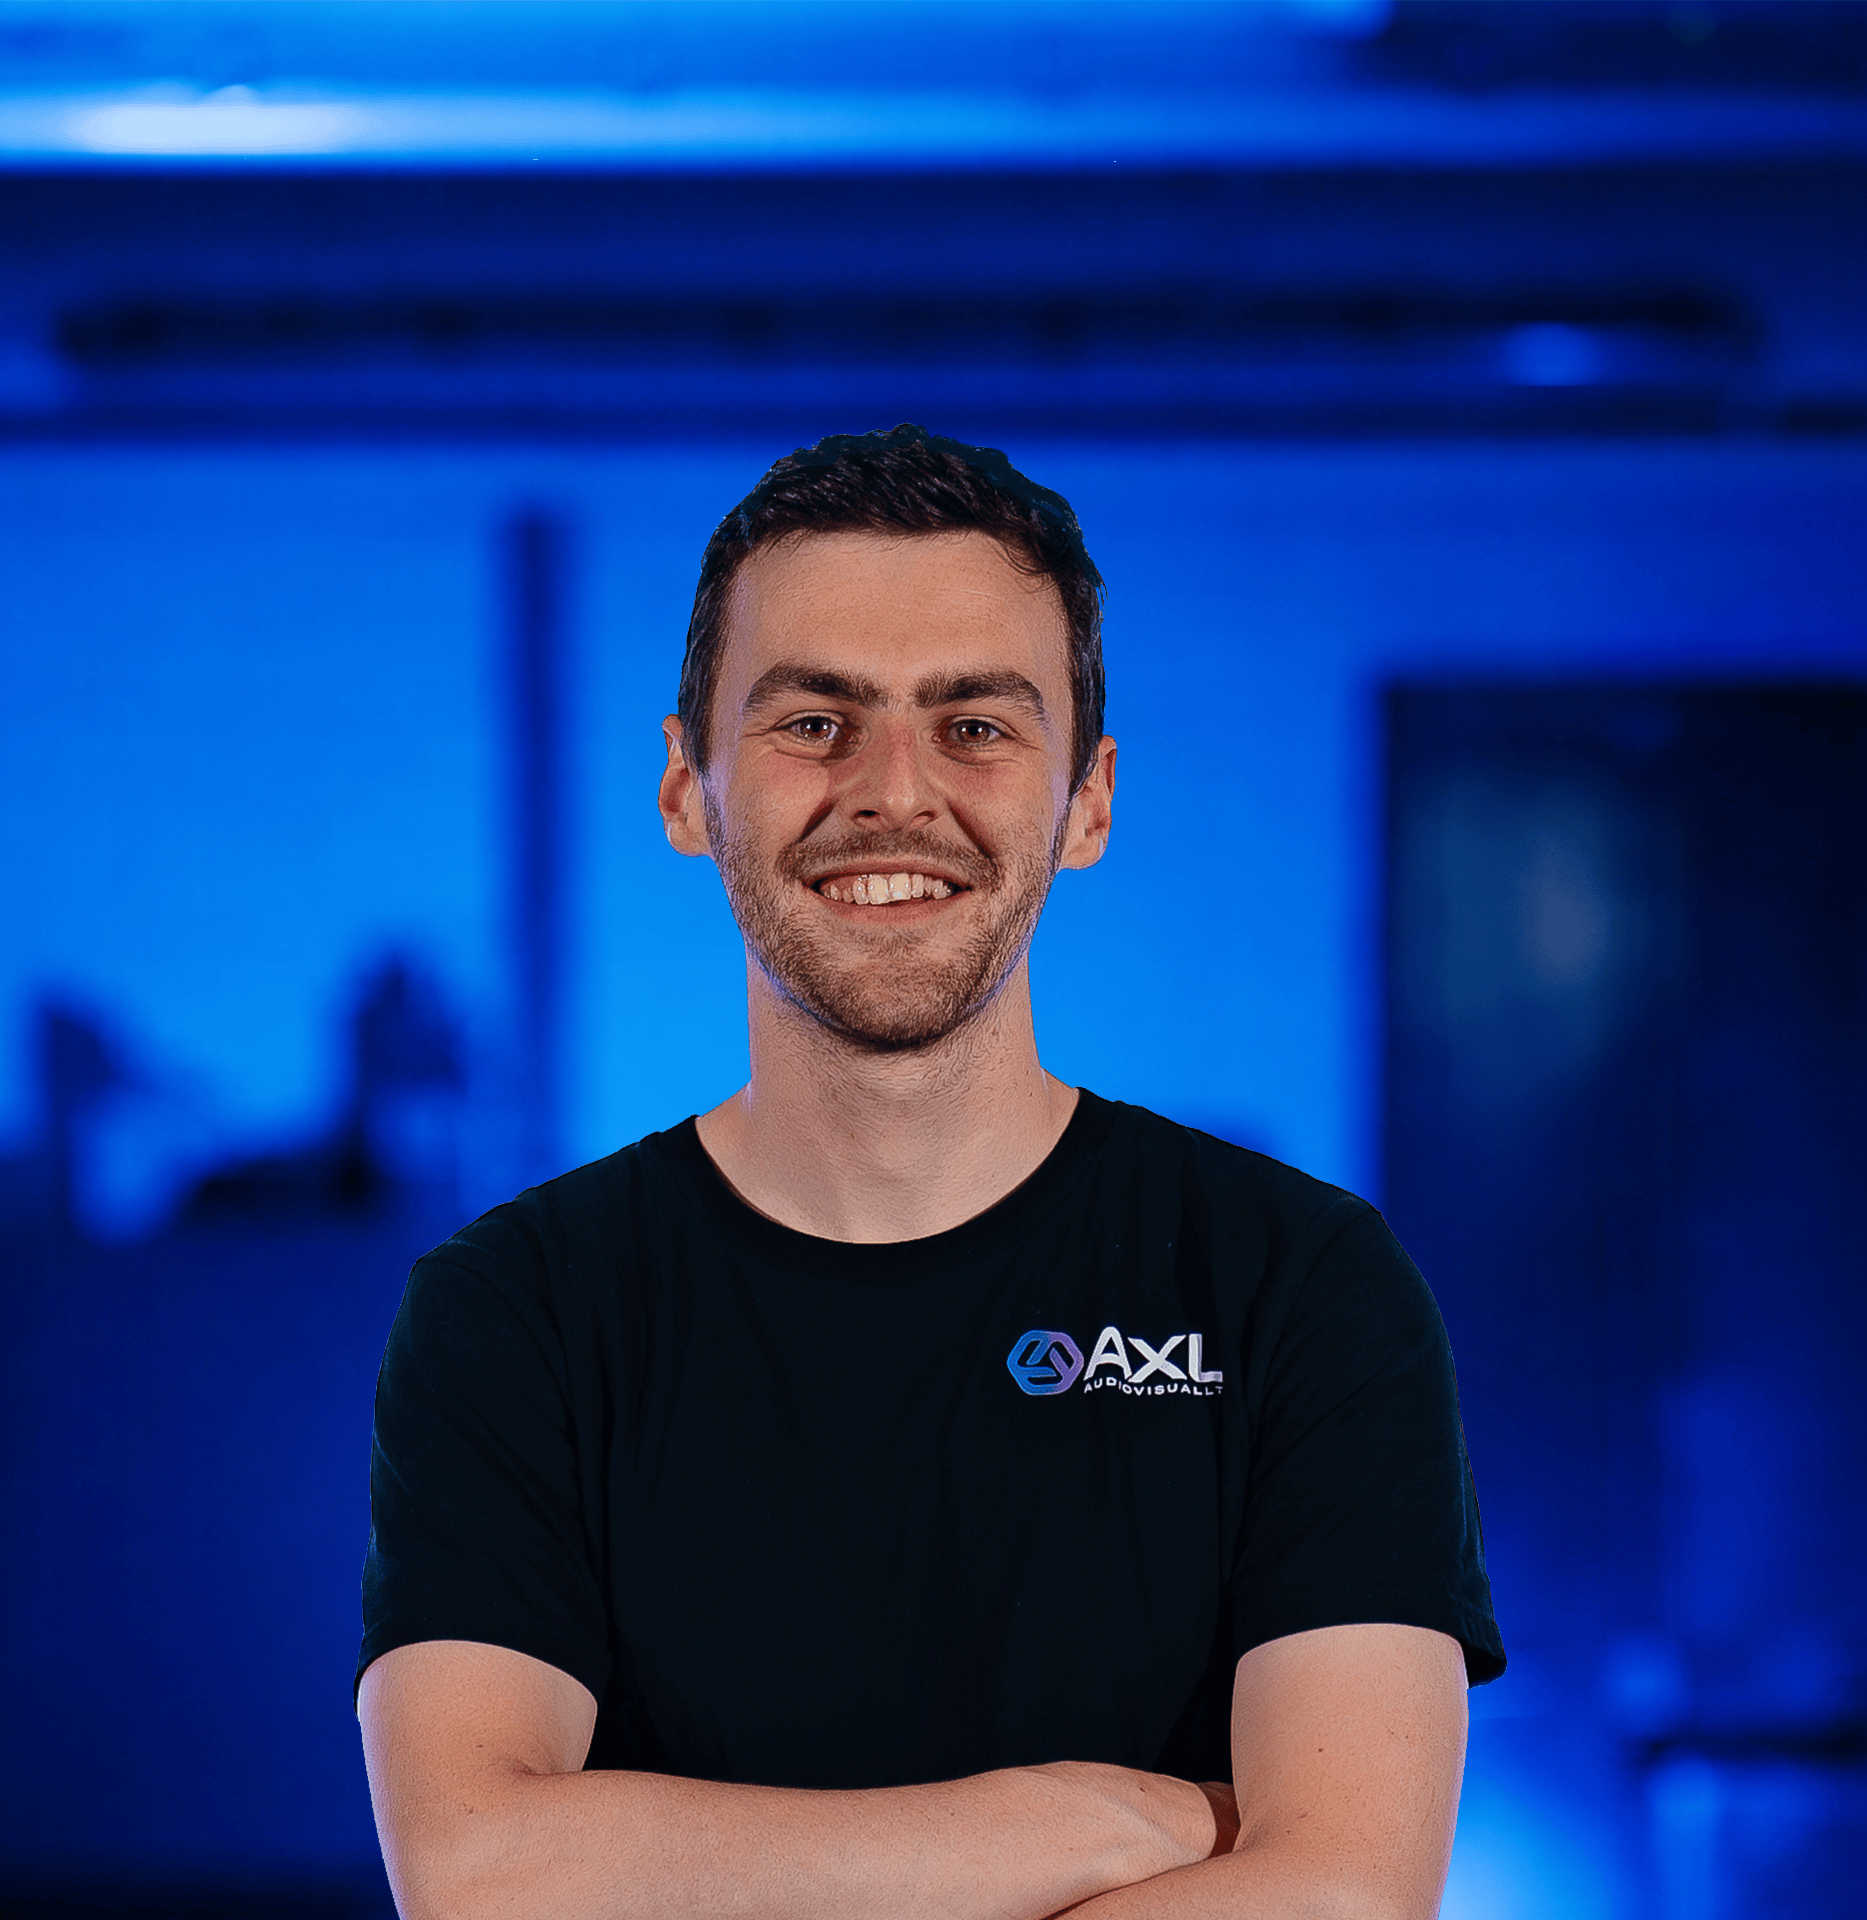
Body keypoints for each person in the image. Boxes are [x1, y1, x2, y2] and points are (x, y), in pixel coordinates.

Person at [356, 424, 1504, 1920]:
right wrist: (1077, 1824)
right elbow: (478, 1874)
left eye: (975, 725)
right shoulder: (518, 1314)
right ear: (688, 790)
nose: (894, 793)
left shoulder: (1297, 1289)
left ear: (1086, 800)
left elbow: (1345, 1897)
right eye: (815, 722)